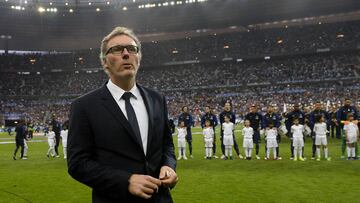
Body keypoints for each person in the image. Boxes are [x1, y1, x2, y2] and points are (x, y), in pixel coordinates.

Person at [67, 27, 177, 203]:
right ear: (104, 62)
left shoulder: (157, 99)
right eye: (117, 50)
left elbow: (167, 145)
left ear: (138, 57)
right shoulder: (84, 106)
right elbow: (77, 164)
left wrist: (168, 166)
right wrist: (126, 181)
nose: (126, 54)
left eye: (132, 49)